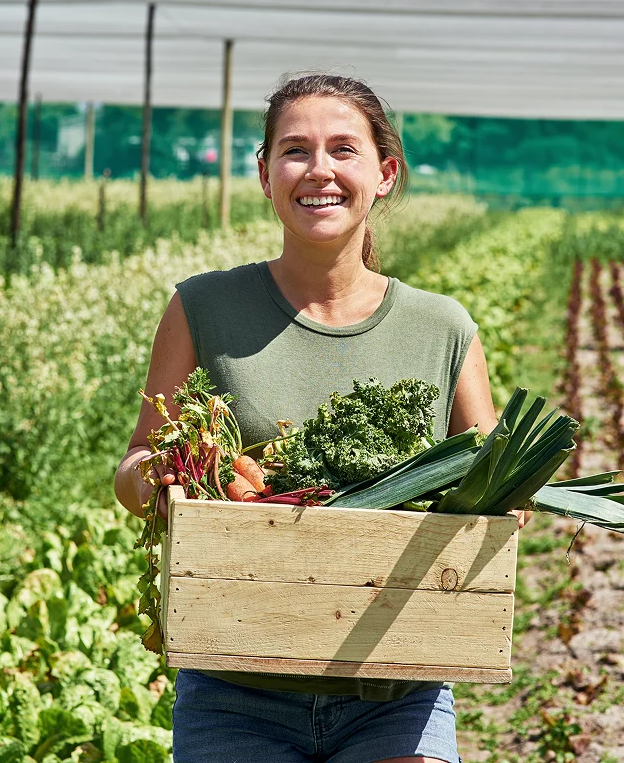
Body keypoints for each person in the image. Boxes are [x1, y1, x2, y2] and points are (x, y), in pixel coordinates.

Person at [112, 73, 528, 763]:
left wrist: (505, 505)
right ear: (265, 174)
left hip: (397, 685)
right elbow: (130, 471)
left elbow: (491, 482)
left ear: (385, 173)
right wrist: (160, 475)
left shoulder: (442, 327)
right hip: (234, 683)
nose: (319, 171)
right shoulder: (201, 308)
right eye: (296, 151)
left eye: (343, 149)